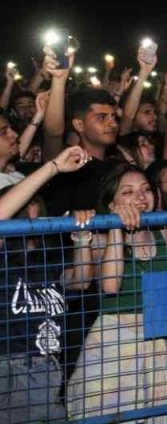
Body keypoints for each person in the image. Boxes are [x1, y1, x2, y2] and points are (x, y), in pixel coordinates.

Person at [66, 163, 167, 424]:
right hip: (112, 341)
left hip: (153, 340)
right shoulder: (99, 238)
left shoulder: (166, 231)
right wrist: (116, 225)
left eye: (146, 189)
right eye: (128, 192)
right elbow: (110, 286)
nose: (140, 197)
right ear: (111, 203)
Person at [0, 147, 97, 423]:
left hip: (49, 366)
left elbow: (81, 281)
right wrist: (54, 167)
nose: (33, 216)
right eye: (24, 212)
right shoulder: (3, 262)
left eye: (37, 209)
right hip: (10, 368)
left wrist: (82, 239)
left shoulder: (48, 259)